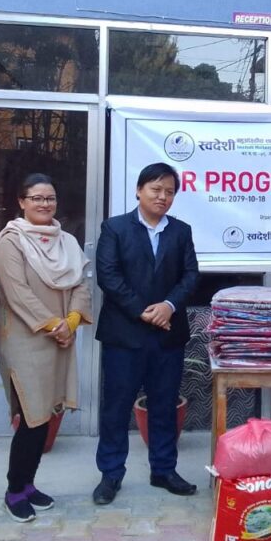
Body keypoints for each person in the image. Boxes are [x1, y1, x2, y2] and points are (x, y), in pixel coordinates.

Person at [92, 162, 200, 505]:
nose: (162, 196)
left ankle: (164, 470)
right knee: (116, 407)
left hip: (168, 337)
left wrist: (168, 305)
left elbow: (190, 275)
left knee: (164, 405)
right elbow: (108, 276)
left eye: (169, 191)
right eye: (156, 189)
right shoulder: (115, 228)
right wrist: (144, 311)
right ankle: (111, 474)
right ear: (139, 190)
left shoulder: (180, 231)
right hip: (124, 336)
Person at [0, 174, 92, 522]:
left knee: (46, 414)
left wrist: (72, 321)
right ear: (21, 202)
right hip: (25, 339)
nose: (45, 204)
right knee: (31, 416)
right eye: (37, 198)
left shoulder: (67, 241)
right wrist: (54, 324)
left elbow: (80, 283)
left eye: (50, 198)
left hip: (60, 338)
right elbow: (16, 293)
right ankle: (14, 491)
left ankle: (29, 484)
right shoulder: (10, 242)